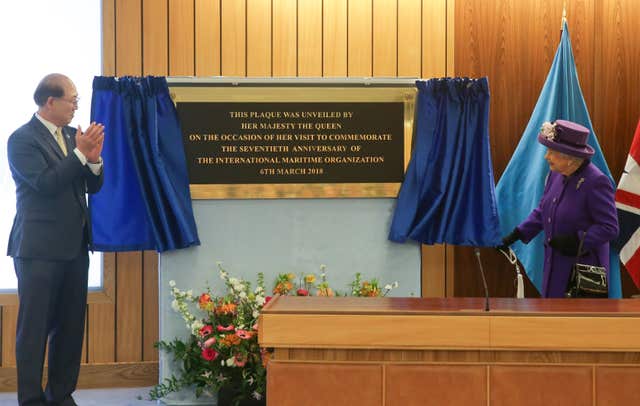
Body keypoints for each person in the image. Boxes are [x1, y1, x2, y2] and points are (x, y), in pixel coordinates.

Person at [7, 73, 105, 406]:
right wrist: (79, 155)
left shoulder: (70, 135)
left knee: (70, 326)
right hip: (38, 250)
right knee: (34, 330)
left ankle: (61, 394)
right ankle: (31, 400)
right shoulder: (21, 140)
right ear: (50, 101)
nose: (76, 107)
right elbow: (46, 184)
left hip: (75, 247)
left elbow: (92, 187)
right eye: (72, 100)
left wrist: (93, 160)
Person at [499, 119, 618, 298]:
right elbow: (543, 210)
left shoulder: (596, 182)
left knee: (575, 324)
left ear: (570, 157)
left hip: (583, 273)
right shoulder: (556, 174)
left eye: (552, 152)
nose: (546, 157)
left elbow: (610, 227)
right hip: (554, 267)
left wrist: (578, 241)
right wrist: (516, 234)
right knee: (553, 319)